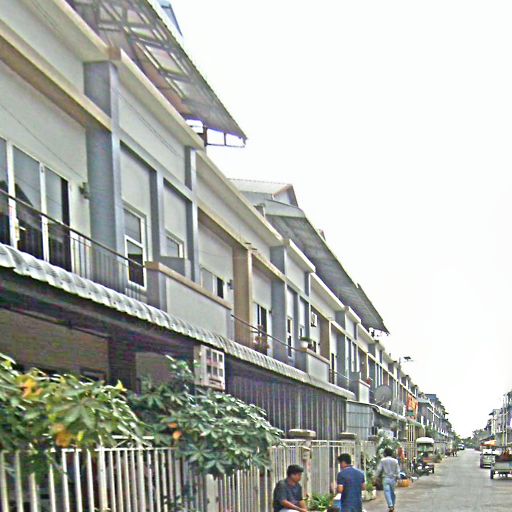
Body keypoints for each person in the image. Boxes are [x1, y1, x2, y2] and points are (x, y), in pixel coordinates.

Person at [376, 447, 400, 512]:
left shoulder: (382, 460)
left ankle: (390, 505)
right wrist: (398, 477)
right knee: (393, 493)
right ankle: (392, 506)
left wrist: (376, 476)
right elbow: (398, 470)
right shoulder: (395, 461)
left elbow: (379, 469)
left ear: (385, 453)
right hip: (393, 479)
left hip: (386, 478)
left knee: (387, 492)